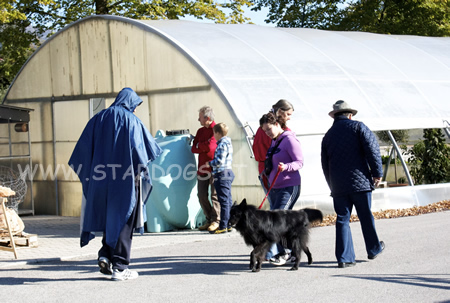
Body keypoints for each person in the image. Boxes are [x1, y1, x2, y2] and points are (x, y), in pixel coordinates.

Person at [68, 87, 162, 281]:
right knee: (125, 220)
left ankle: (105, 254)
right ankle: (120, 267)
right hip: (125, 181)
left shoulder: (97, 119)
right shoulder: (132, 121)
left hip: (100, 181)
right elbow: (143, 153)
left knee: (110, 218)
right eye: (135, 105)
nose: (135, 110)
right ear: (130, 103)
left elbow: (82, 152)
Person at [321, 100, 385, 268]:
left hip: (339, 186)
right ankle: (373, 248)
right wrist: (377, 173)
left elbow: (325, 164)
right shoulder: (358, 127)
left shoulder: (328, 135)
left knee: (342, 219)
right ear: (350, 115)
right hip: (361, 183)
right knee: (365, 215)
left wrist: (332, 185)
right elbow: (373, 150)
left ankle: (344, 258)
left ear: (334, 116)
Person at [259, 111, 304, 265]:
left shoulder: (289, 140)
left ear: (277, 124)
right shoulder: (275, 141)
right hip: (275, 187)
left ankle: (284, 252)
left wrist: (286, 166)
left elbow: (299, 162)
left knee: (276, 219)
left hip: (289, 187)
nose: (267, 133)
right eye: (264, 131)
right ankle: (292, 250)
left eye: (269, 129)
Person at [252, 100, 294, 204]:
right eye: (288, 114)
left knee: (274, 205)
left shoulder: (262, 129)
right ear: (280, 112)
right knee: (279, 209)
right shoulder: (278, 131)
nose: (289, 117)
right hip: (274, 172)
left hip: (265, 170)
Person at [191, 106, 220, 233]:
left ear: (207, 118)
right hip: (202, 168)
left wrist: (200, 146)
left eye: (200, 117)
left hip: (214, 168)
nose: (198, 119)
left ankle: (216, 220)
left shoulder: (216, 129)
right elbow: (194, 148)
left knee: (215, 195)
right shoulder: (200, 131)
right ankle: (209, 218)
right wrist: (201, 146)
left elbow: (211, 147)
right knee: (201, 195)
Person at [206, 123, 235, 234]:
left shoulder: (222, 144)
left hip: (222, 174)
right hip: (228, 173)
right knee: (227, 200)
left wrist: (210, 163)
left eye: (214, 133)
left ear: (218, 133)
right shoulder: (228, 143)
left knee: (223, 201)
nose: (214, 135)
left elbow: (219, 161)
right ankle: (228, 224)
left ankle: (223, 225)